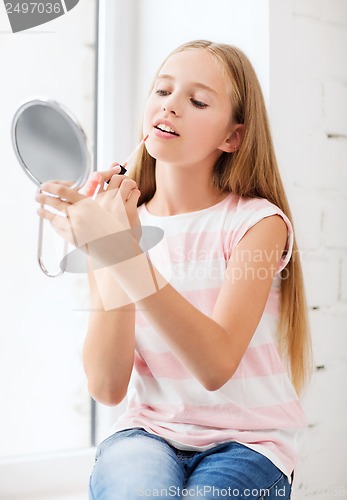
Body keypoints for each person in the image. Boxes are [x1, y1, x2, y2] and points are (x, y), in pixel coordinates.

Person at [36, 40, 312, 499]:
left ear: (233, 137)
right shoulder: (122, 224)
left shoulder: (257, 225)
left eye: (197, 100)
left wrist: (120, 251)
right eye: (162, 91)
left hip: (249, 444)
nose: (171, 106)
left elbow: (215, 365)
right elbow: (107, 385)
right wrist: (112, 250)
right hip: (148, 432)